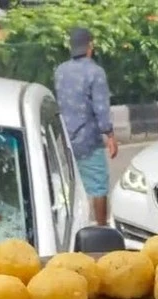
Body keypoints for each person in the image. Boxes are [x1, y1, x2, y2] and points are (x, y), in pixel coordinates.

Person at [54, 27, 116, 227]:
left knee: (72, 186)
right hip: (88, 140)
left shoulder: (60, 71)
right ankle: (101, 228)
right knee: (98, 187)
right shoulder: (95, 72)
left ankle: (71, 228)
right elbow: (101, 108)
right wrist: (110, 136)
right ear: (90, 46)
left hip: (65, 140)